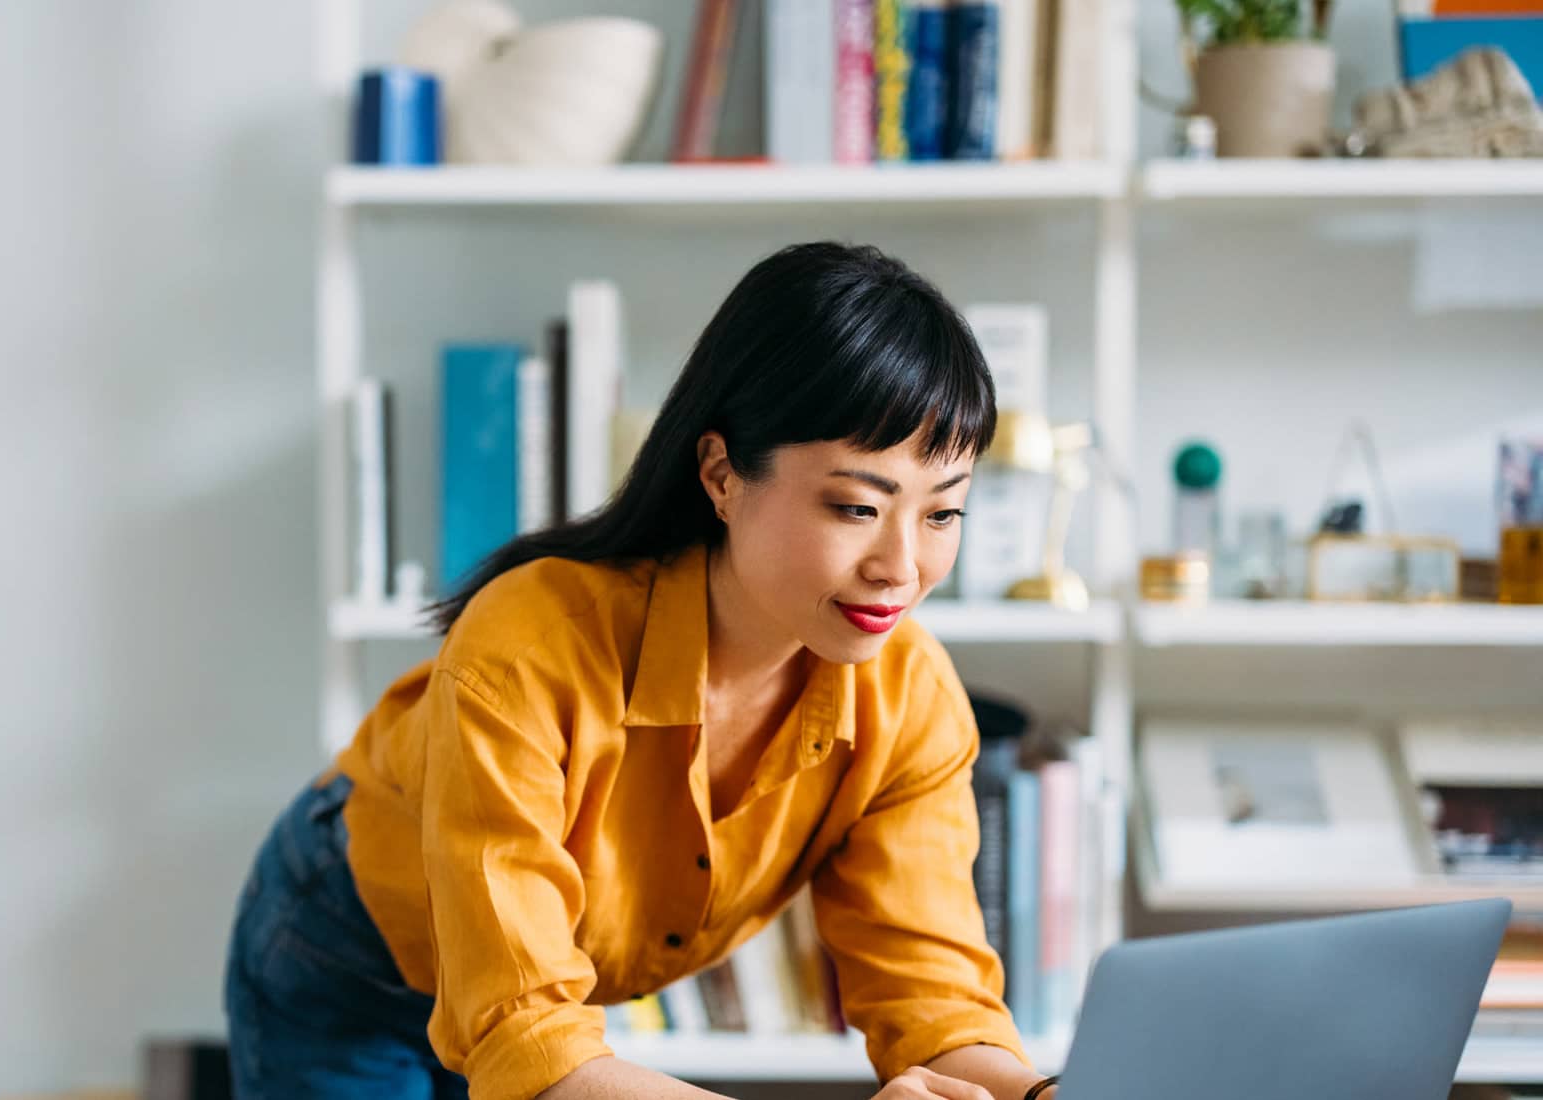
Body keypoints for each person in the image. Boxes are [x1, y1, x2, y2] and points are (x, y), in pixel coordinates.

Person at [225, 242, 1058, 1100]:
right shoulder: (529, 644)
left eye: (943, 512)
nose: (901, 566)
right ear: (722, 474)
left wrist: (1036, 1094)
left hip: (547, 993)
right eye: (856, 507)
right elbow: (529, 1038)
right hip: (353, 957)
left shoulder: (911, 697)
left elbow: (934, 999)